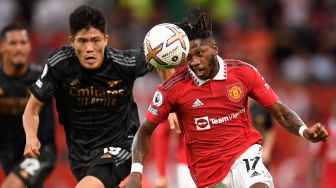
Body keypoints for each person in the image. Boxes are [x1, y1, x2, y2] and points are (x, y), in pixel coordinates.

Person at [124, 11, 328, 188]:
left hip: (244, 154)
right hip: (207, 173)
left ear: (214, 48)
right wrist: (136, 172)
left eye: (199, 54)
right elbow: (145, 131)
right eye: (189, 57)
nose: (194, 62)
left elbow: (281, 112)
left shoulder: (243, 73)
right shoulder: (172, 88)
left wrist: (304, 131)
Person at [22, 5, 173, 188]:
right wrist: (31, 137)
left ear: (106, 40)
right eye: (82, 41)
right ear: (71, 41)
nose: (89, 48)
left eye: (95, 40)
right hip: (80, 154)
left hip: (122, 144)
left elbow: (161, 58)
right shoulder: (59, 65)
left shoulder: (125, 63)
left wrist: (170, 104)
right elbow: (31, 110)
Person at [0, 24, 56, 188]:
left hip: (40, 152)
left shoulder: (42, 78)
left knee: (12, 185)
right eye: (13, 43)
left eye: (23, 42)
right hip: (7, 153)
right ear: (2, 47)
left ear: (30, 46)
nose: (19, 48)